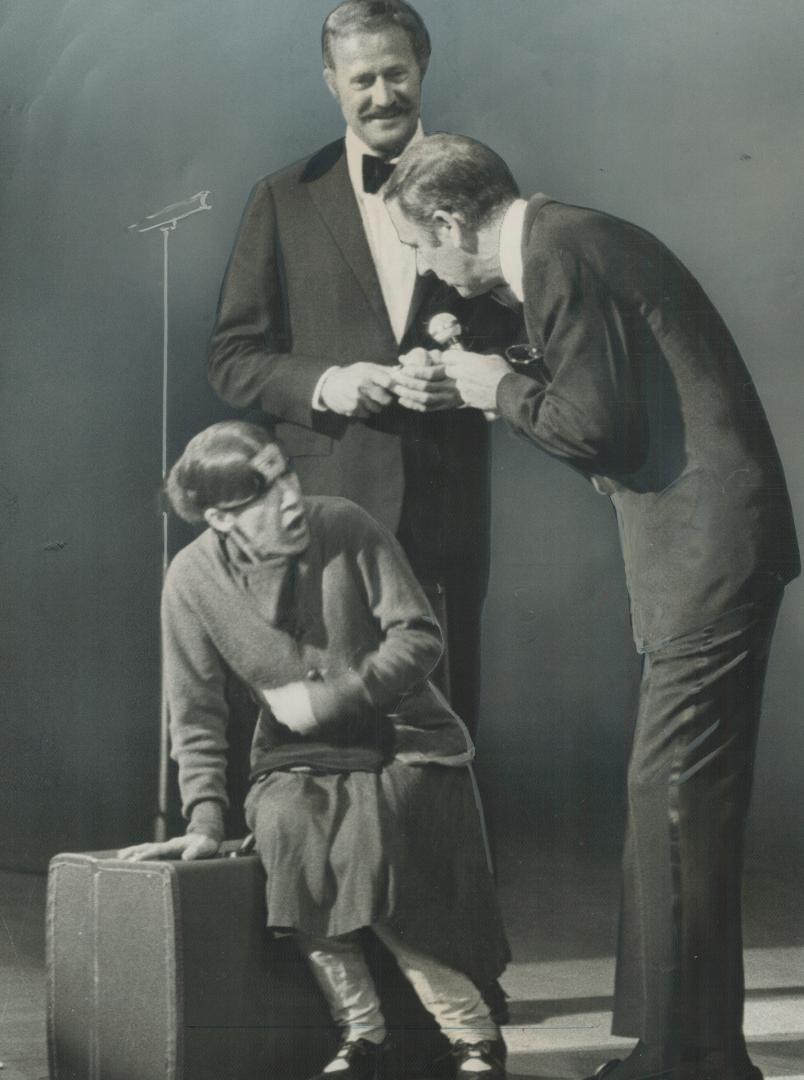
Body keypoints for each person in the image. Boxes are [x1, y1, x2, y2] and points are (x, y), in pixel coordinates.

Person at [382, 134, 801, 1080]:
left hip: (706, 548)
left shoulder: (556, 253)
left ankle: (680, 1061)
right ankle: (696, 1055)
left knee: (671, 800)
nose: (431, 271)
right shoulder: (569, 240)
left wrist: (497, 386)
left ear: (451, 221)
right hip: (710, 543)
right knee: (680, 800)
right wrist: (471, 386)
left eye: (421, 248)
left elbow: (597, 426)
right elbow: (601, 392)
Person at [118, 421, 510, 1080]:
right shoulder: (190, 580)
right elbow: (195, 711)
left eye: (287, 474)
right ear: (219, 517)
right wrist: (206, 821)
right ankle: (363, 1032)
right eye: (265, 493)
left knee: (367, 837)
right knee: (285, 829)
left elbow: (420, 636)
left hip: (404, 738)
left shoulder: (347, 525)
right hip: (295, 758)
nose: (292, 497)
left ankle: (472, 1032)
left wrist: (336, 697)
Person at [206, 0, 521, 739]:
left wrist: (466, 379)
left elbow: (523, 332)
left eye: (396, 73)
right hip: (321, 514)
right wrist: (328, 383)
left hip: (445, 506)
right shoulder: (281, 198)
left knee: (441, 729)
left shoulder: (480, 179)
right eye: (362, 79)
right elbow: (231, 357)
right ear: (330, 82)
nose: (382, 95)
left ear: (423, 67)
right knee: (321, 727)